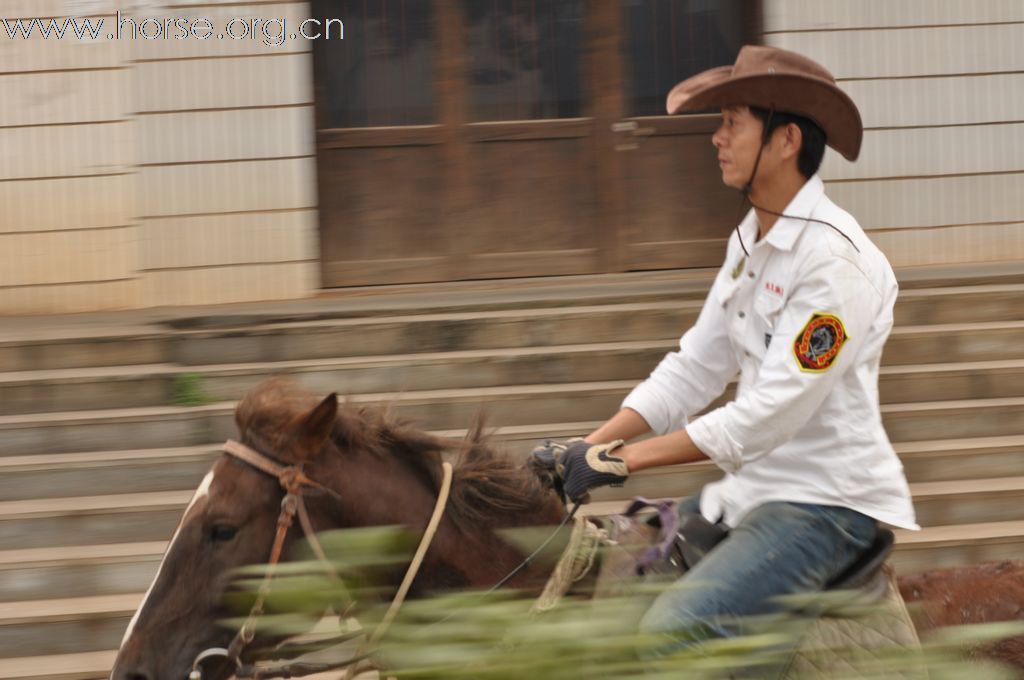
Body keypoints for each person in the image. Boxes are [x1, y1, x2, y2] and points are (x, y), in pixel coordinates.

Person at [532, 45, 919, 655]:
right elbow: (694, 367)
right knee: (607, 584)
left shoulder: (837, 264)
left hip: (825, 508)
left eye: (732, 122)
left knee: (675, 631)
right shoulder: (750, 239)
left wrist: (625, 462)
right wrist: (591, 445)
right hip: (751, 494)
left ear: (786, 140)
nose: (717, 138)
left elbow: (769, 414)